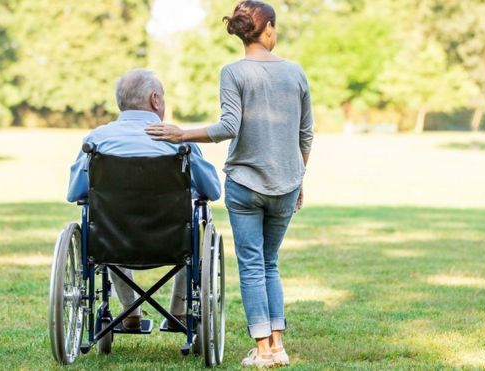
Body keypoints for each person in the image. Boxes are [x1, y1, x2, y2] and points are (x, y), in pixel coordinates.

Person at [146, 1, 313, 367]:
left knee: (253, 265)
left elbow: (228, 127)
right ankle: (278, 345)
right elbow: (305, 135)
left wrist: (181, 133)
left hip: (245, 184)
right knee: (270, 263)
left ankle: (263, 350)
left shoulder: (233, 73)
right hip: (286, 183)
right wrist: (299, 179)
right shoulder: (296, 73)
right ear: (267, 28)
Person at [67, 68, 221, 331]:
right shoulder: (178, 141)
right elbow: (213, 191)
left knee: (109, 222)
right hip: (172, 241)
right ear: (155, 100)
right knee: (193, 225)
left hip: (113, 242)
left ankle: (130, 313)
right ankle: (180, 313)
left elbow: (75, 194)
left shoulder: (97, 141)